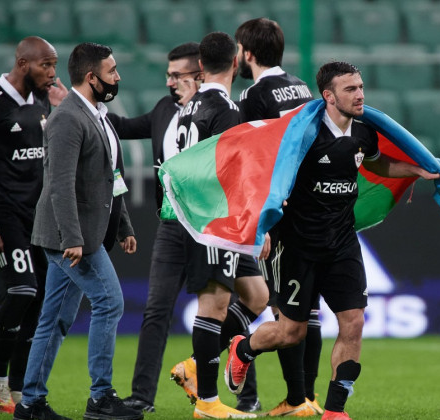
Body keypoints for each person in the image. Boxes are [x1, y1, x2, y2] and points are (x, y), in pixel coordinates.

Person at [223, 61, 440, 420]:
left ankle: (335, 410)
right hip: (297, 246)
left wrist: (414, 169)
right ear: (328, 96)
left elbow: (375, 164)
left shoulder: (364, 131)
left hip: (342, 242)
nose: (360, 95)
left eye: (361, 87)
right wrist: (263, 228)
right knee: (292, 333)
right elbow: (267, 177)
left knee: (353, 322)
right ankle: (244, 348)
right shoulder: (302, 134)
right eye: (351, 89)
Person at [15, 42, 142, 420]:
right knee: (110, 303)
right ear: (91, 77)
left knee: (54, 319)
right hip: (71, 238)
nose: (117, 77)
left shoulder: (98, 113)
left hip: (83, 232)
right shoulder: (68, 118)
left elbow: (110, 176)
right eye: (112, 71)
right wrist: (72, 238)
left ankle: (30, 403)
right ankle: (100, 398)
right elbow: (59, 185)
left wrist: (123, 226)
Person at [170, 31, 265, 419]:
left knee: (257, 296)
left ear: (201, 67)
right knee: (214, 307)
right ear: (237, 60)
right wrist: (257, 224)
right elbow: (232, 174)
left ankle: (194, 364)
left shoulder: (188, 107)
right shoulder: (225, 109)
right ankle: (208, 403)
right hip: (214, 219)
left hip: (198, 215)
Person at [107, 41, 202, 414]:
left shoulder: (216, 110)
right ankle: (142, 396)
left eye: (178, 75)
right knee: (156, 311)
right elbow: (126, 126)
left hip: (207, 228)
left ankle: (245, 393)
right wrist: (80, 104)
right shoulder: (165, 108)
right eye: (168, 74)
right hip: (170, 226)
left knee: (219, 310)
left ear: (199, 75)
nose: (170, 82)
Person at [235, 17, 320, 417]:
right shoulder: (302, 86)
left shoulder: (254, 95)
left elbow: (253, 161)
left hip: (282, 211)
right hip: (314, 207)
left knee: (286, 311)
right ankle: (309, 396)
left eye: (240, 49)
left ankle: (297, 398)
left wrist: (259, 222)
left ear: (248, 53)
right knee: (311, 308)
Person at [0, 36, 67, 414]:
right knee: (21, 291)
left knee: (37, 303)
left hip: (39, 217)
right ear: (23, 63)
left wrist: (61, 108)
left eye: (54, 65)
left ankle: (19, 389)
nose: (52, 73)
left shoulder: (42, 101)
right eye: (46, 65)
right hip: (4, 215)